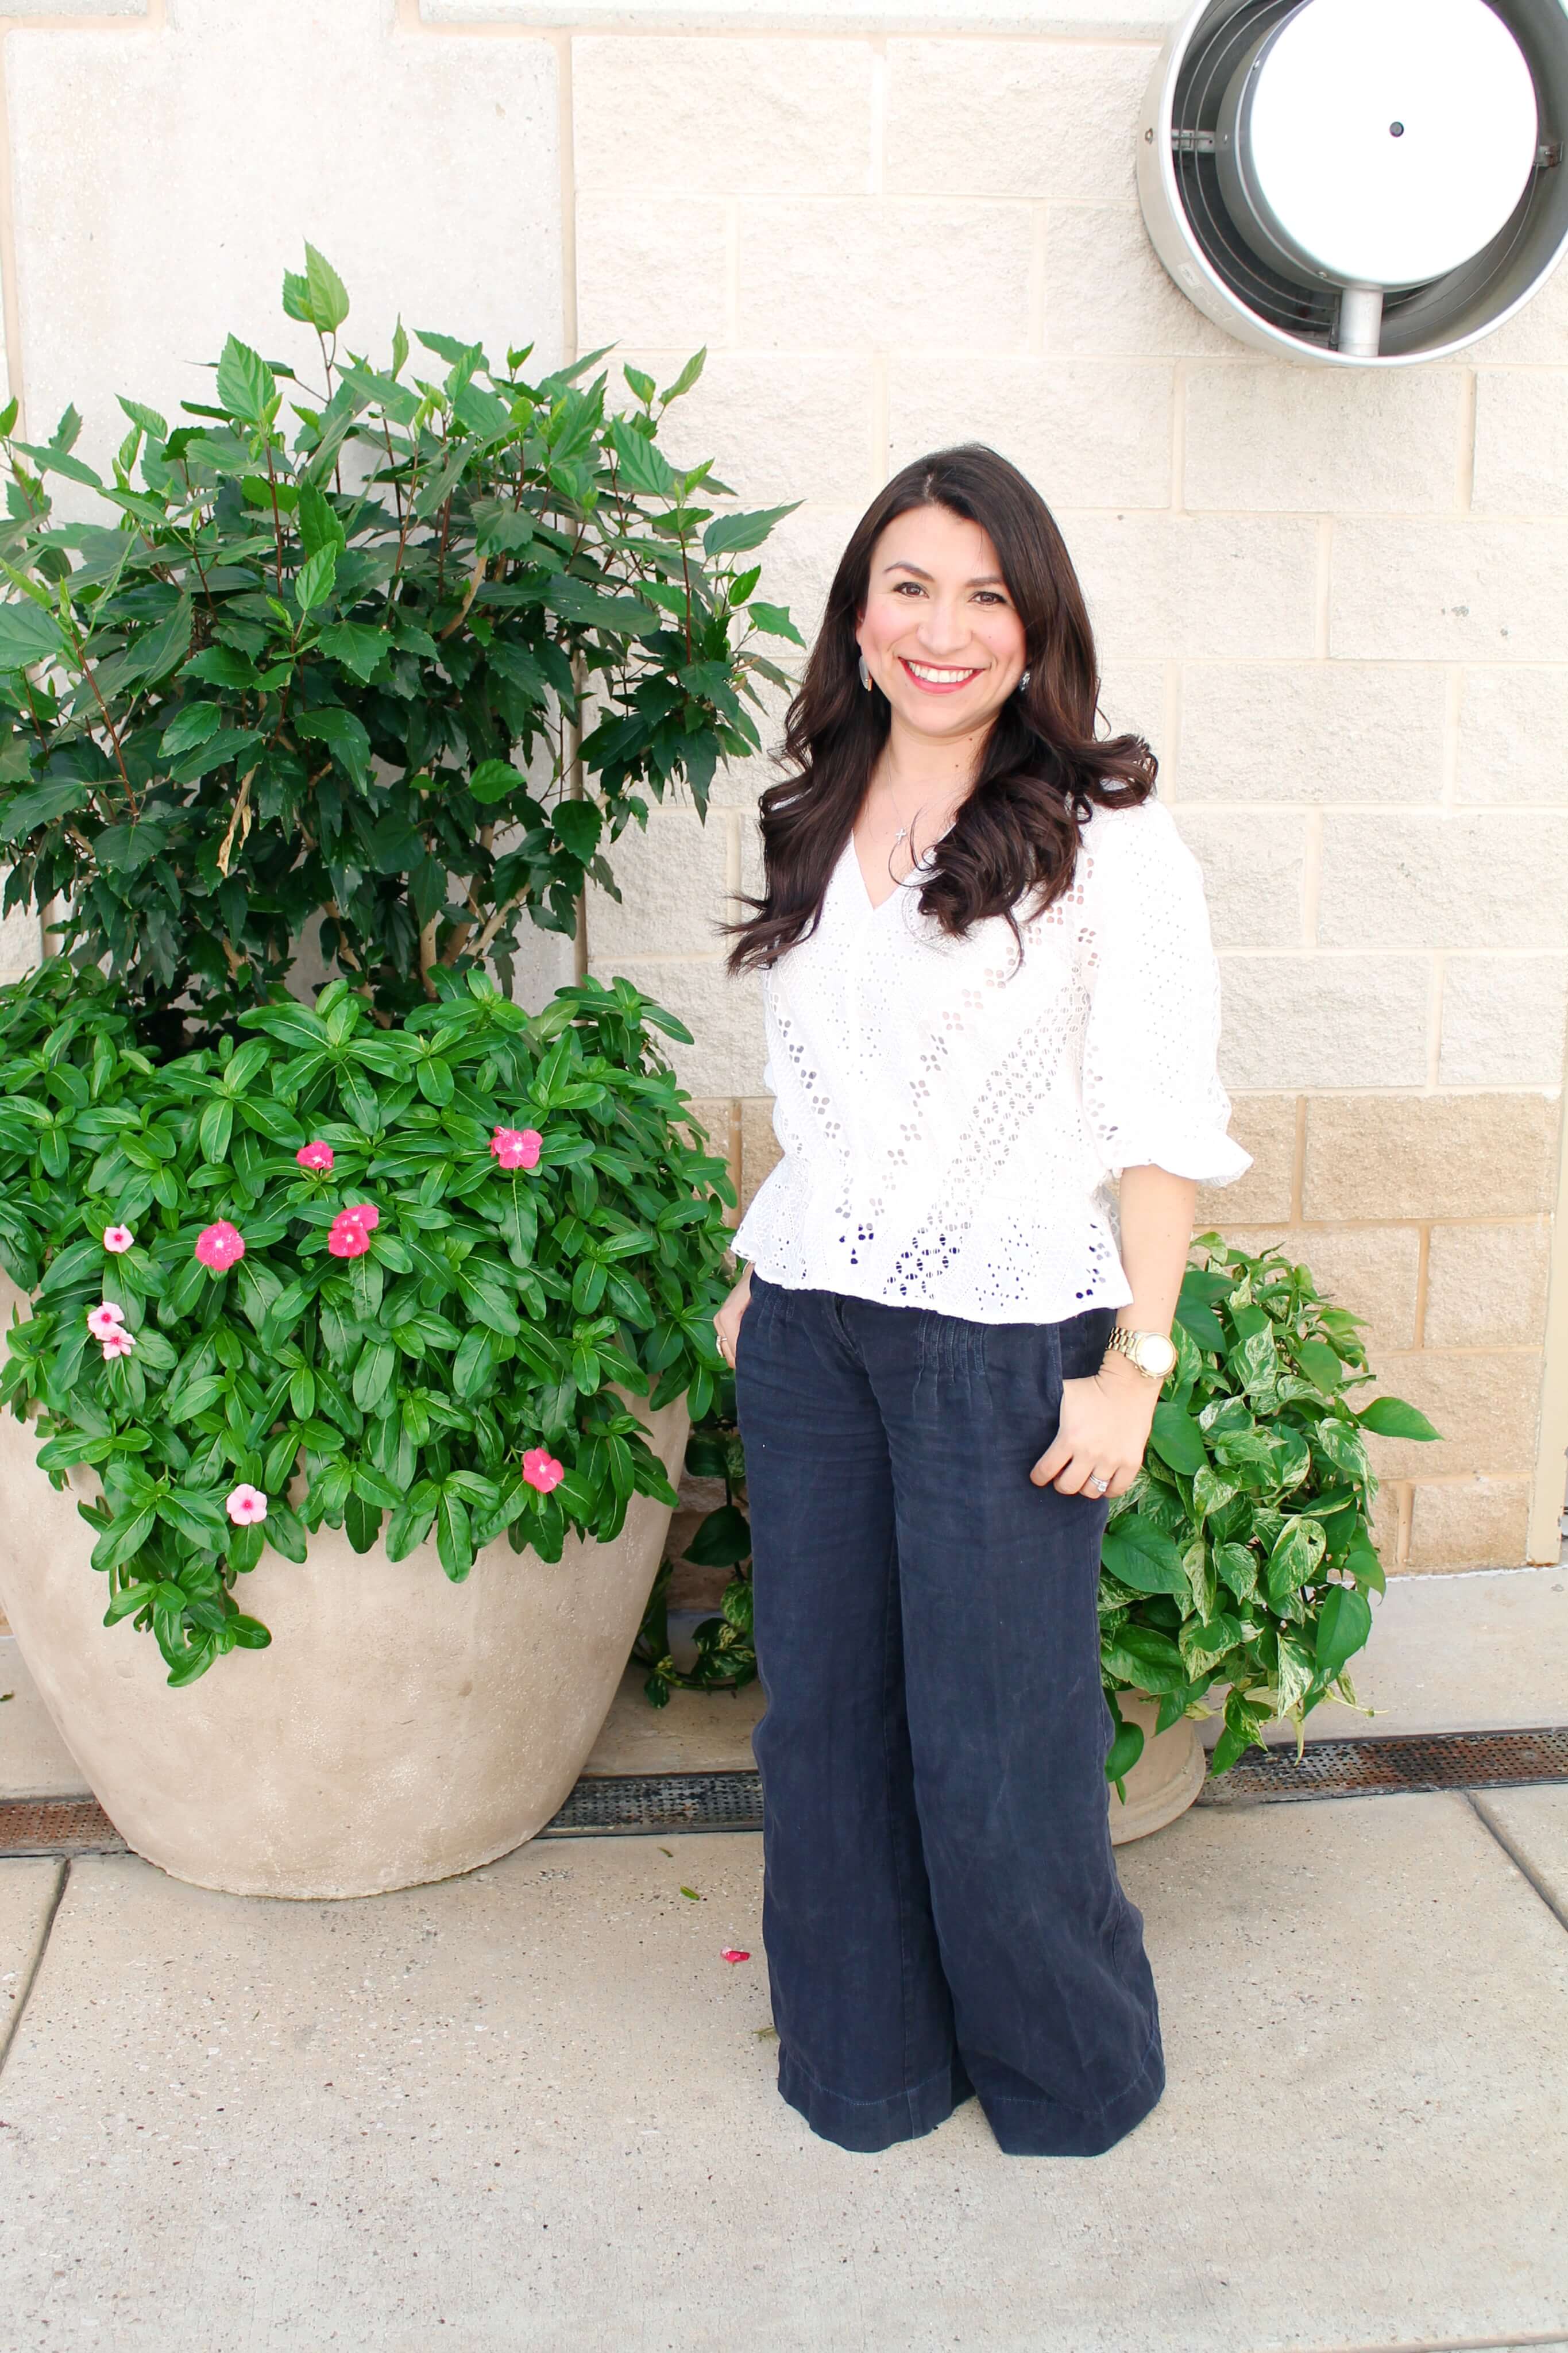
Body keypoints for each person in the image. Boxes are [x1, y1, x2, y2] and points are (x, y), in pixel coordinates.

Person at [712, 443, 1252, 2160]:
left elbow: (1158, 1118)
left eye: (983, 597)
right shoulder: (813, 802)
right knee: (823, 1729)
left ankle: (1065, 2077)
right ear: (859, 619)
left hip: (1003, 1335)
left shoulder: (1104, 840)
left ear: (1033, 629)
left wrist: (1136, 1367)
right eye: (908, 589)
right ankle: (862, 2066)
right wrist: (758, 1268)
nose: (941, 630)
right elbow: (826, 1089)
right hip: (809, 1328)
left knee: (997, 1743)